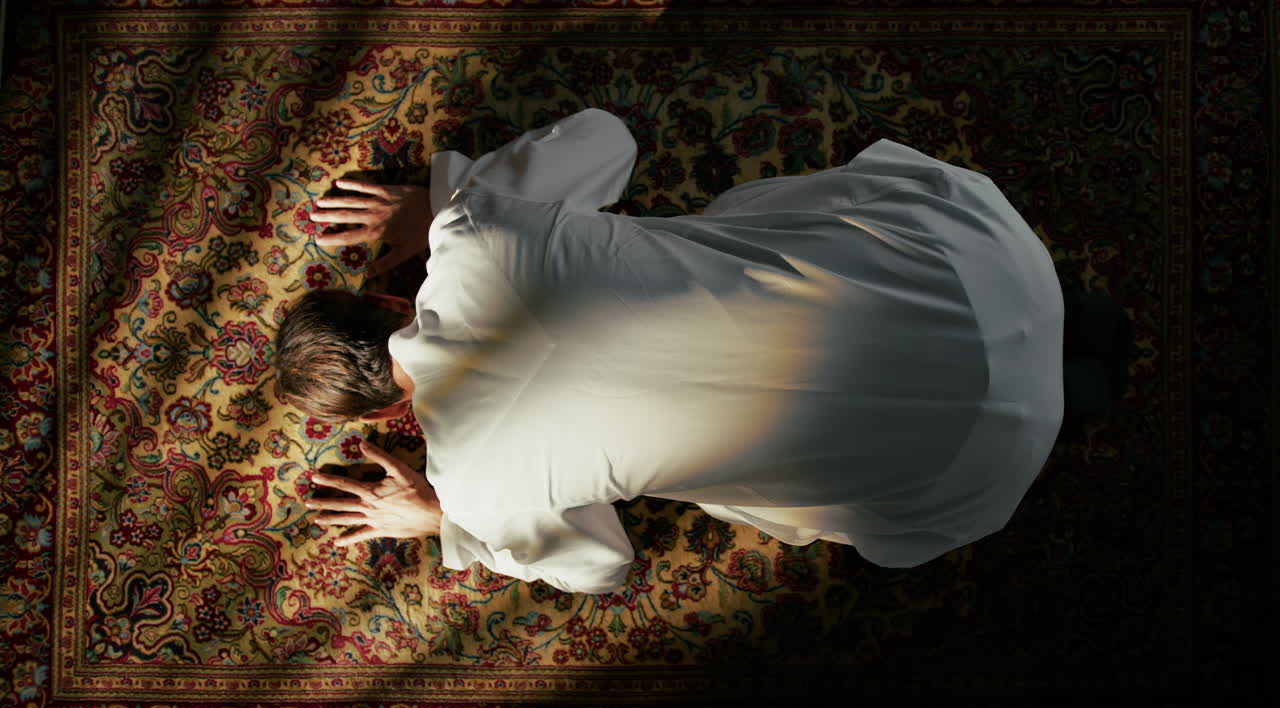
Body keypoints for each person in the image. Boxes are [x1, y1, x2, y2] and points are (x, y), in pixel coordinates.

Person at [273, 108, 1070, 594]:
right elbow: (607, 141)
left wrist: (441, 521)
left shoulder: (477, 488)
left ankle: (1077, 379)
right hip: (983, 267)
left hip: (970, 464)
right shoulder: (474, 228)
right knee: (754, 229)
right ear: (384, 298)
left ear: (386, 410)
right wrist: (441, 198)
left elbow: (602, 567)